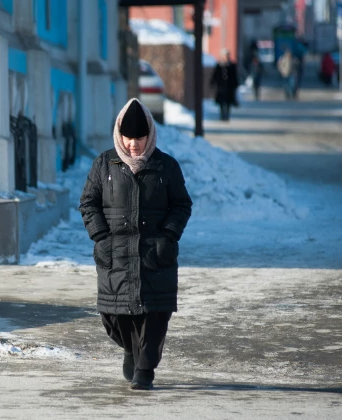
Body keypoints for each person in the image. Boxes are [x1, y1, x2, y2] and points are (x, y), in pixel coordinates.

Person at [79, 98, 192, 390]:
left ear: (149, 135)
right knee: (115, 315)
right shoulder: (104, 163)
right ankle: (131, 348)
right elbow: (88, 203)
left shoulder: (166, 166)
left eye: (139, 138)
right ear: (119, 135)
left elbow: (181, 205)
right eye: (128, 137)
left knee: (154, 314)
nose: (133, 144)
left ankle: (145, 369)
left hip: (155, 253)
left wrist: (168, 236)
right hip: (115, 253)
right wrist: (101, 237)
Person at [210, 49, 240, 121]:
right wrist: (212, 82)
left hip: (229, 87)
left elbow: (234, 76)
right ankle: (222, 115)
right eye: (224, 56)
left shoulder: (232, 65)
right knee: (221, 102)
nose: (226, 57)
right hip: (221, 87)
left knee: (228, 103)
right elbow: (215, 75)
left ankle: (227, 115)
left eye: (227, 56)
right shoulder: (219, 65)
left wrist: (236, 84)